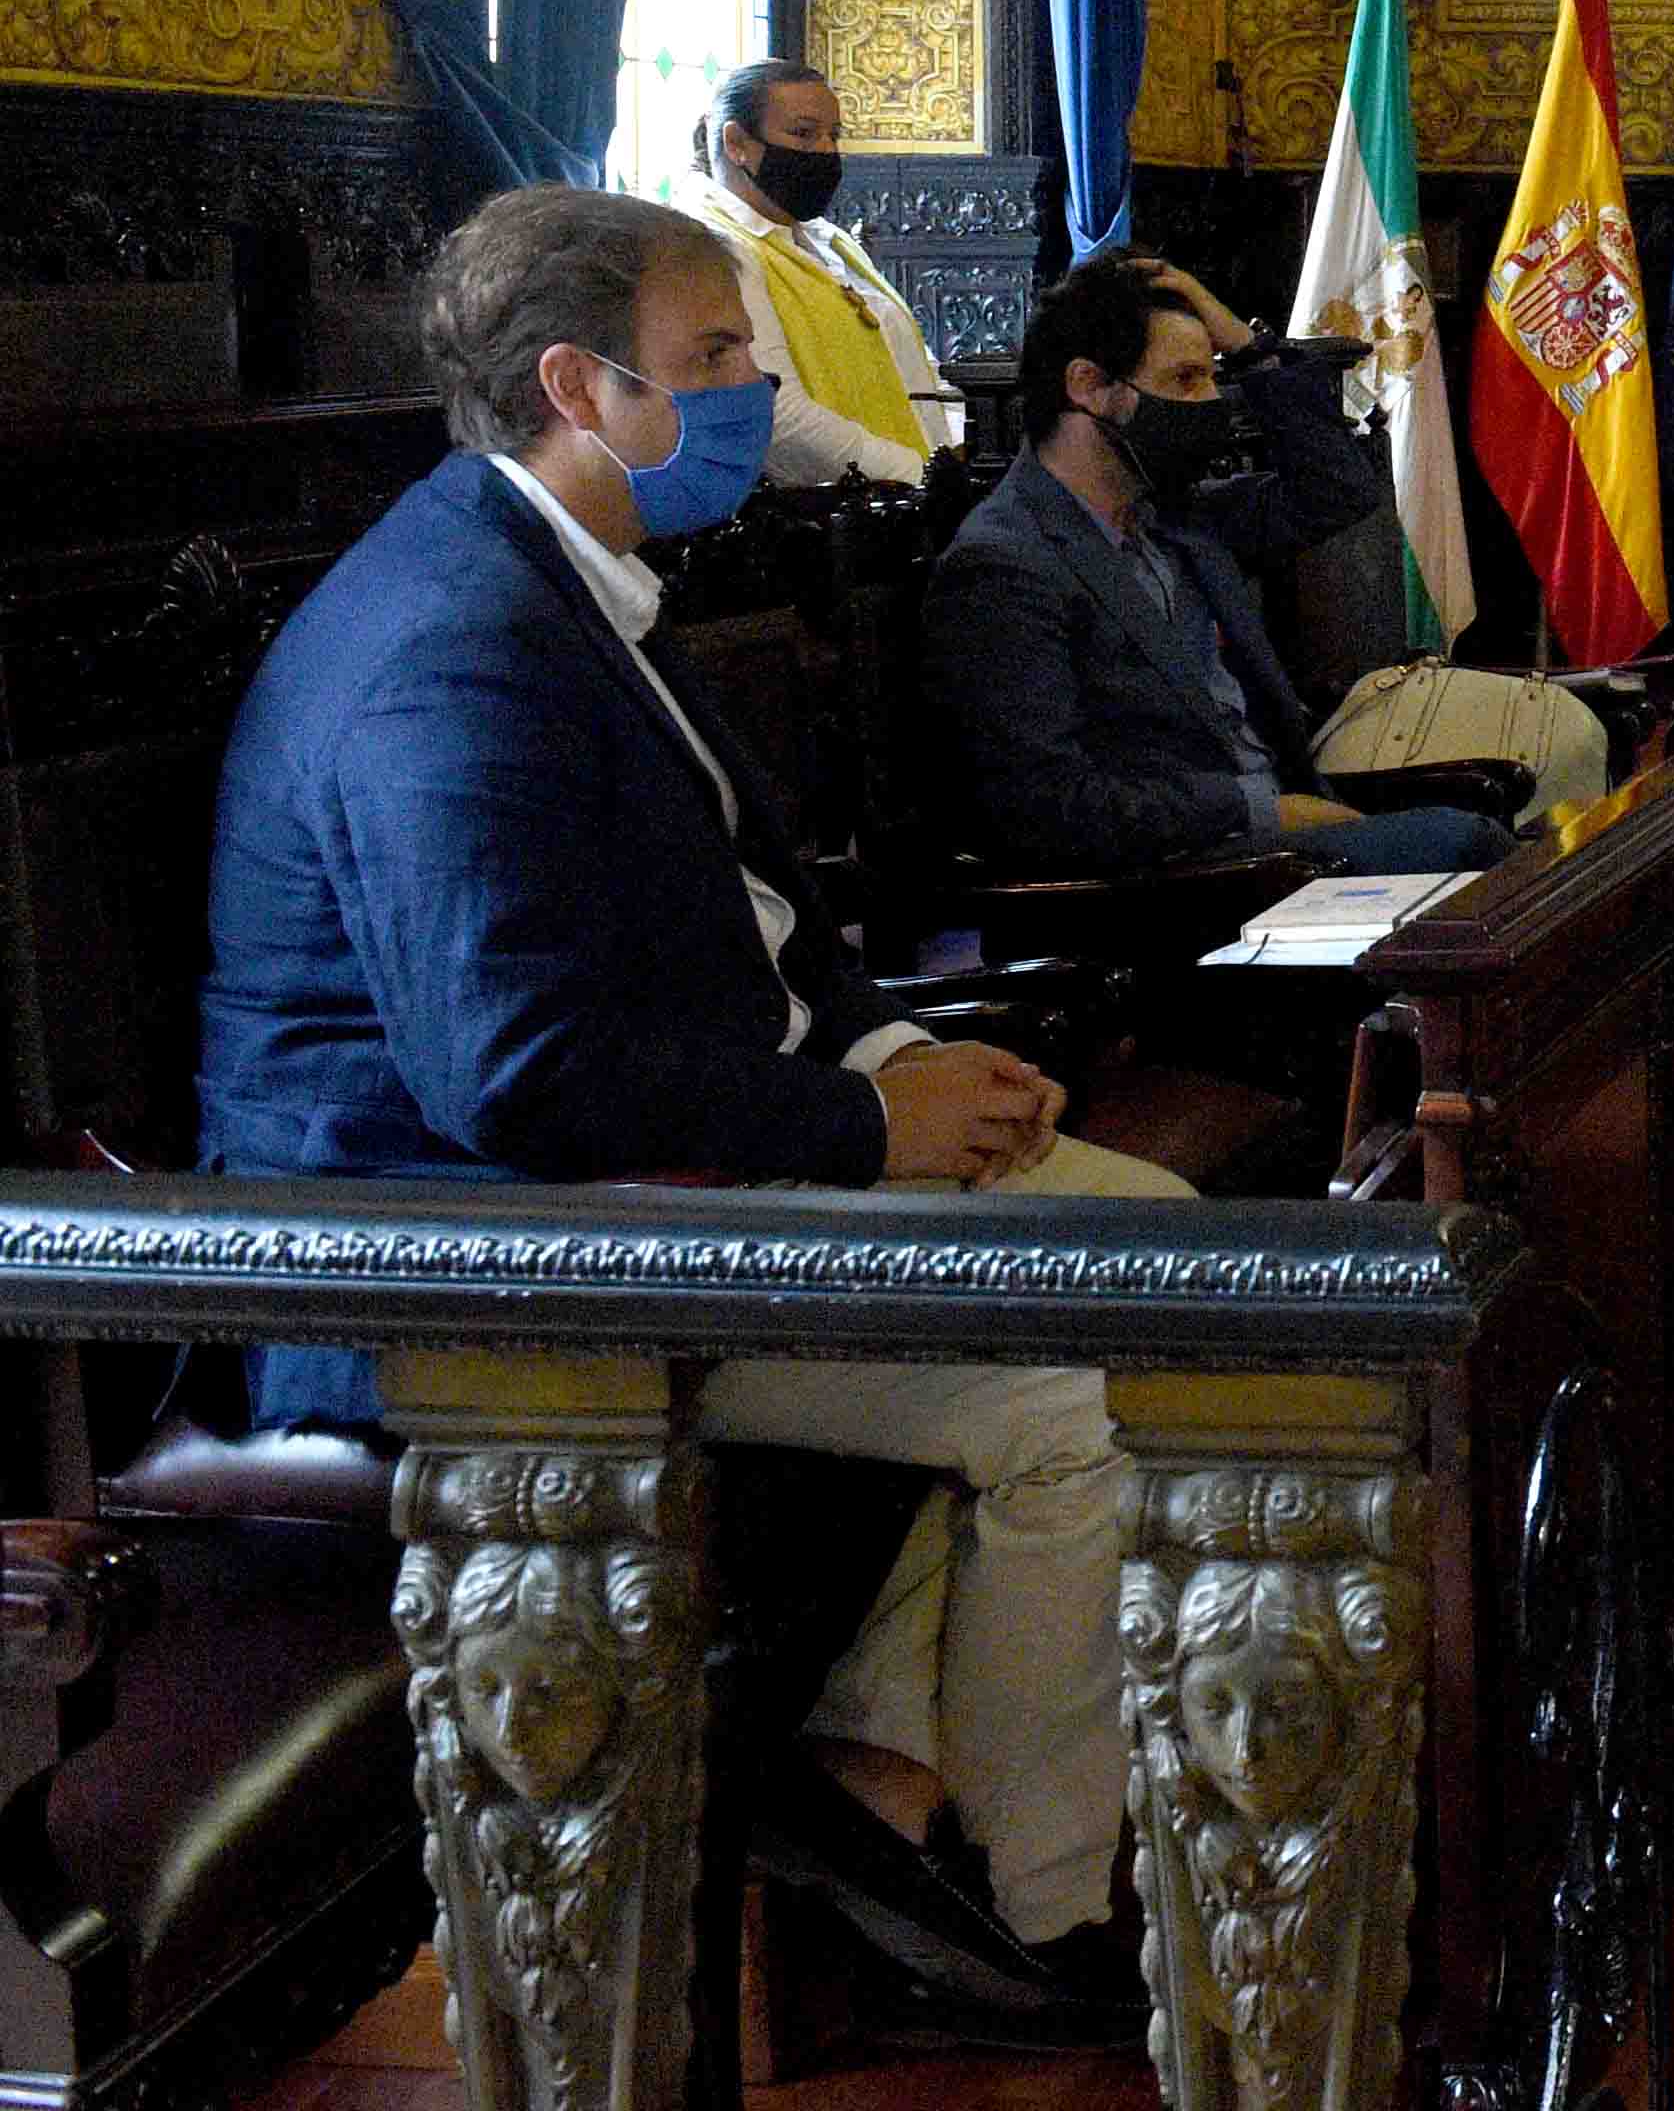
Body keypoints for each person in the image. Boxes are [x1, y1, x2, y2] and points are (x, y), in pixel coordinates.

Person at [195, 186, 1165, 2015]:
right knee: (1087, 1396)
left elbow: (750, 920)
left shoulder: (549, 569)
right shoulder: (448, 643)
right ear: (579, 386)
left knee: (1174, 1248)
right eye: (711, 357)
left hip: (634, 1187)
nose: (749, 396)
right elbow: (511, 1073)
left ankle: (880, 1792)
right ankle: (1036, 1917)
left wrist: (891, 1060)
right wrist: (865, 1132)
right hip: (457, 1267)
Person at [924, 254, 1516, 880]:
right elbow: (1045, 806)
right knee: (1469, 847)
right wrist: (1260, 811)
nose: (1211, 403)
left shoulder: (1175, 519)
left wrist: (1251, 350)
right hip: (1186, 877)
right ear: (1089, 385)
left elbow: (1338, 489)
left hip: (1281, 837)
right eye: (1185, 380)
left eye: (1214, 376)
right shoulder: (1004, 564)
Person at [669, 56, 957, 491]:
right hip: (838, 504)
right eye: (804, 134)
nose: (825, 151)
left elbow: (914, 365)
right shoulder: (712, 247)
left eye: (833, 135)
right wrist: (919, 474)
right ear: (737, 143)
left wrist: (960, 448)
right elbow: (778, 414)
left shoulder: (827, 240)